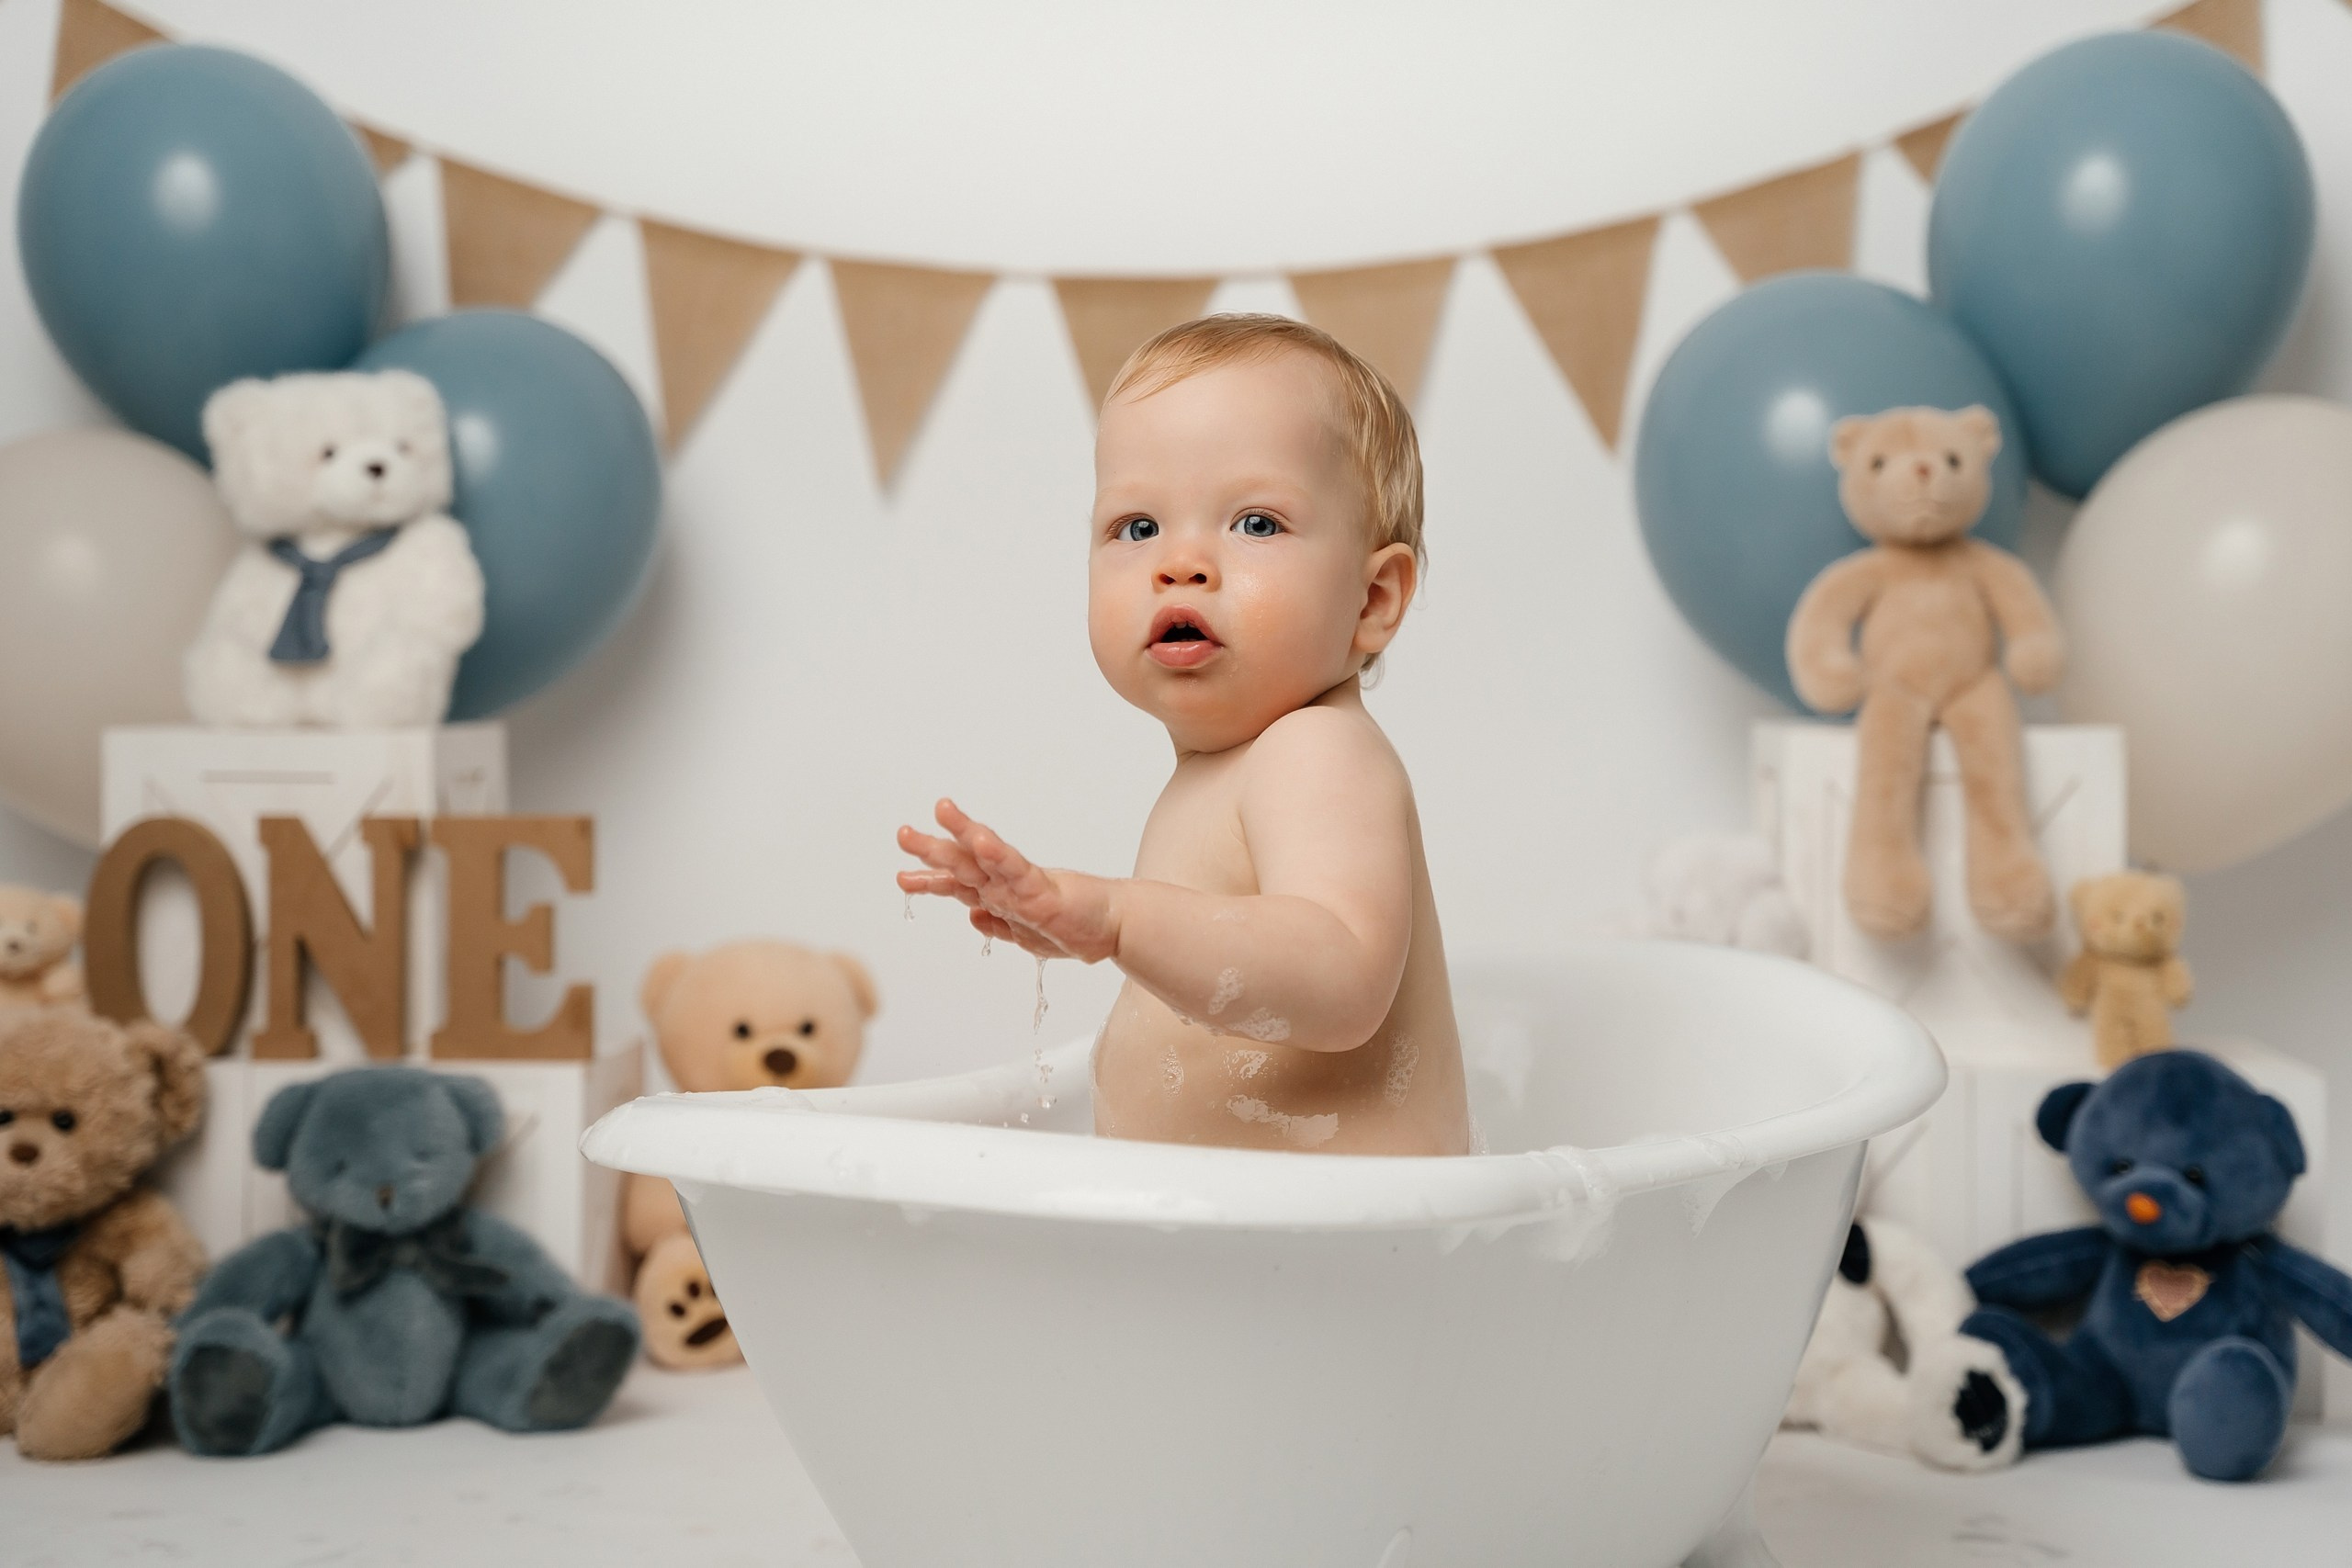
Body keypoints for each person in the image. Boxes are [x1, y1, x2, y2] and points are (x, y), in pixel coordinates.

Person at [898, 314, 1468, 1156]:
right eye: (1137, 528)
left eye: (1256, 523)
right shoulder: (1225, 769)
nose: (1181, 564)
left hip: (1342, 1255)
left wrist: (1118, 921)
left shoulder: (1316, 751)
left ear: (1374, 599)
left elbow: (1343, 977)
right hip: (1240, 1250)